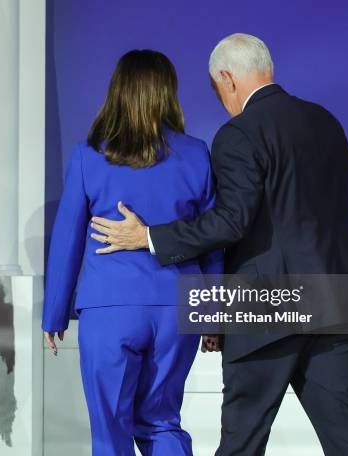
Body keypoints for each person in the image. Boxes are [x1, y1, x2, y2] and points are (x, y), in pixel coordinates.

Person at [91, 34, 348, 455]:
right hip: (338, 302)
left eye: (215, 89)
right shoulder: (326, 122)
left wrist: (150, 236)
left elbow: (230, 222)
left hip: (269, 307)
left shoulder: (240, 133)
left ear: (227, 78)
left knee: (241, 443)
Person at [42, 49, 223, 456]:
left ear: (118, 91)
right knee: (162, 423)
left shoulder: (90, 155)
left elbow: (68, 239)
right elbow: (212, 238)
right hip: (178, 310)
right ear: (167, 93)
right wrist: (212, 314)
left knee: (111, 433)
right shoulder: (196, 153)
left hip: (110, 310)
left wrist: (54, 313)